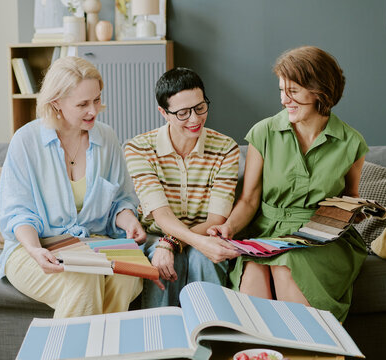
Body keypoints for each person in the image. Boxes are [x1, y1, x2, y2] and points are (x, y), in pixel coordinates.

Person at [208, 46, 368, 322]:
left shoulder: (351, 142)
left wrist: (355, 210)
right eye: (281, 90)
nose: (284, 100)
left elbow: (350, 196)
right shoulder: (263, 132)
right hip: (267, 231)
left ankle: (304, 346)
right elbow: (248, 200)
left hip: (319, 239)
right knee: (255, 271)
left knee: (287, 264)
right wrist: (228, 227)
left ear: (320, 91)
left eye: (292, 91)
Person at [0, 56, 147, 318]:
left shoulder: (107, 138)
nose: (94, 111)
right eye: (83, 104)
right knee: (84, 281)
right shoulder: (26, 141)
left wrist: (129, 220)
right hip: (34, 246)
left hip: (93, 243)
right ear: (56, 102)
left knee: (127, 278)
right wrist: (34, 249)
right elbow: (18, 212)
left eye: (97, 100)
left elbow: (120, 201)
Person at [124, 67, 240, 308]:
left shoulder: (226, 148)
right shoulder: (138, 148)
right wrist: (167, 243)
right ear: (164, 113)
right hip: (157, 234)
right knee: (164, 260)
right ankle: (160, 337)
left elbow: (216, 219)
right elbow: (161, 215)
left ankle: (211, 338)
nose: (195, 119)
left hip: (206, 233)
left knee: (204, 259)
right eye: (183, 113)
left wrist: (173, 243)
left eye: (200, 108)